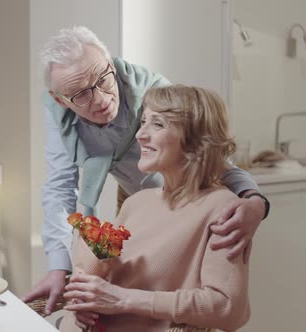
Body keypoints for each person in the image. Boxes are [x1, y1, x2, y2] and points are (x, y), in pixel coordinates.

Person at [22, 26, 270, 315]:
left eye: (103, 80)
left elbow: (210, 155)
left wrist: (255, 201)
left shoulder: (216, 210)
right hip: (143, 203)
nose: (101, 100)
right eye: (80, 95)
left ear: (111, 65)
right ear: (60, 100)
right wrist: (63, 272)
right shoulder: (133, 205)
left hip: (186, 200)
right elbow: (60, 186)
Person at [61, 85, 250, 331]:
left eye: (158, 124)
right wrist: (84, 301)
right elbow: (109, 278)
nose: (140, 135)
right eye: (143, 121)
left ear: (195, 141)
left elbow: (228, 309)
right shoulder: (135, 202)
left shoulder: (221, 208)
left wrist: (124, 299)